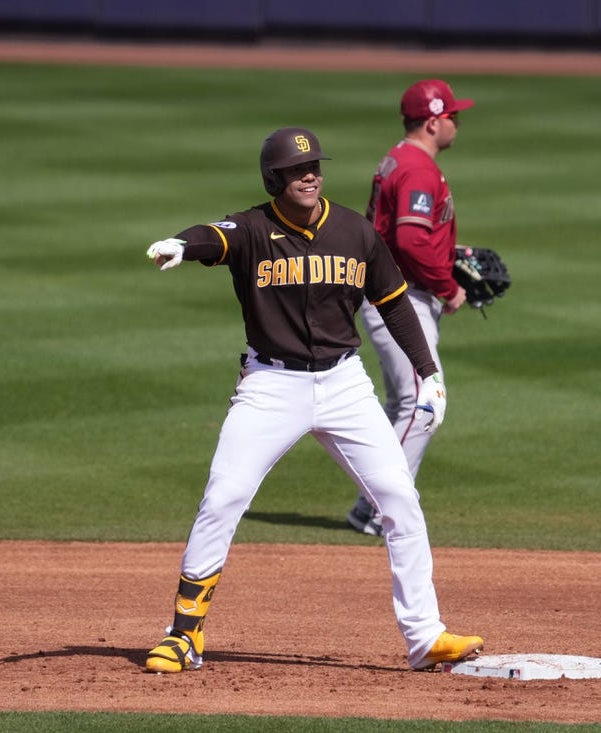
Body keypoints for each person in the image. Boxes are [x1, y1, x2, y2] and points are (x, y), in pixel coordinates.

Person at [143, 126, 483, 673]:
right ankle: (184, 635)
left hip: (345, 385)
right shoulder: (254, 228)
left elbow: (395, 304)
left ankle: (425, 636)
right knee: (224, 497)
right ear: (274, 178)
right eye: (298, 169)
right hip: (271, 386)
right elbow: (215, 234)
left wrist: (428, 373)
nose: (310, 175)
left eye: (316, 167)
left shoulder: (353, 230)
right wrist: (184, 244)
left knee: (399, 497)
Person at [346, 79, 474, 537]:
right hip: (401, 299)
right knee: (424, 403)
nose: (457, 124)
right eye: (453, 116)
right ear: (434, 120)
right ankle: (384, 509)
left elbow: (393, 231)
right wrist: (448, 285)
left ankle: (368, 506)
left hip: (389, 293)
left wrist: (446, 258)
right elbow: (409, 238)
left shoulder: (398, 158)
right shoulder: (417, 169)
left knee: (408, 401)